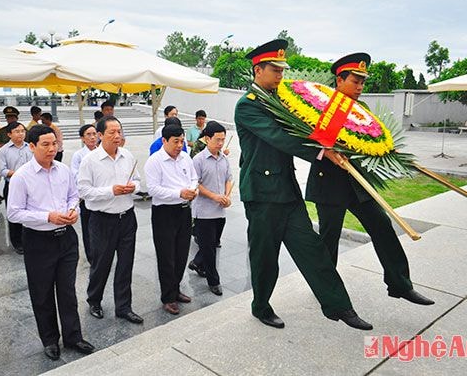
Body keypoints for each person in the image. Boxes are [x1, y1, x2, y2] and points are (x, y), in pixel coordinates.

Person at [235, 39, 371, 330]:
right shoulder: (247, 106)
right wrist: (322, 152)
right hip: (261, 195)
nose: (281, 75)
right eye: (275, 70)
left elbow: (308, 124)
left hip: (287, 192)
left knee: (314, 252)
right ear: (258, 70)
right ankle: (261, 306)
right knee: (265, 259)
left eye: (282, 70)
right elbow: (278, 136)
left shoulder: (282, 99)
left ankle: (340, 308)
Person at [305, 53, 435, 306]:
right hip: (329, 183)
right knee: (328, 240)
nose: (360, 87)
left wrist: (387, 149)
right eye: (355, 81)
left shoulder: (361, 109)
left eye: (363, 83)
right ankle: (325, 288)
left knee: (382, 227)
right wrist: (325, 150)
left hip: (358, 184)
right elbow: (305, 142)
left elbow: (371, 139)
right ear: (339, 80)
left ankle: (400, 284)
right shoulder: (320, 105)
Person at [7, 125, 95, 361]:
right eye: (45, 144)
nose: (51, 149)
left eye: (54, 144)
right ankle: (49, 340)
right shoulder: (22, 176)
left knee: (67, 290)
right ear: (32, 146)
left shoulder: (63, 170)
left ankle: (73, 336)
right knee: (42, 292)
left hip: (65, 237)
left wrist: (71, 210)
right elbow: (13, 213)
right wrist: (47, 216)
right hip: (38, 241)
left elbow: (73, 195)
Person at [78, 116, 143, 324]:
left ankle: (124, 306)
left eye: (119, 132)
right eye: (111, 133)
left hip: (127, 218)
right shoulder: (90, 160)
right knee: (101, 263)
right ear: (99, 135)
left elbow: (138, 181)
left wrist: (133, 187)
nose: (117, 136)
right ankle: (94, 300)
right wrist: (110, 191)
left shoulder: (127, 155)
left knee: (126, 264)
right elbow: (83, 191)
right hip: (102, 220)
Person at [144, 124, 197, 315]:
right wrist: (179, 193)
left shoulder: (185, 158)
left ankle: (176, 289)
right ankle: (168, 297)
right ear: (164, 141)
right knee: (166, 256)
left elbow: (193, 178)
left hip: (184, 211)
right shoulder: (154, 161)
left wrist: (192, 190)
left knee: (181, 253)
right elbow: (153, 189)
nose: (179, 145)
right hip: (164, 213)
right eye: (175, 142)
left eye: (182, 141)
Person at [188, 121, 232, 296]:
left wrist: (227, 196)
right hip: (204, 212)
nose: (221, 143)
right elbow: (195, 185)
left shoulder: (224, 159)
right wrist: (214, 196)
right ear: (207, 139)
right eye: (217, 140)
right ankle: (214, 281)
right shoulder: (198, 160)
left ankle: (197, 263)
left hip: (220, 210)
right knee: (210, 248)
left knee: (212, 243)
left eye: (223, 139)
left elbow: (229, 179)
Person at [0, 122, 33, 255]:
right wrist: (18, 174)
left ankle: (29, 239)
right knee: (14, 213)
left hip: (30, 184)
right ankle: (17, 242)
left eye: (22, 131)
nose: (21, 134)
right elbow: (2, 170)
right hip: (12, 185)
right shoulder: (3, 150)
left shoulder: (30, 147)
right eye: (17, 131)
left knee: (30, 211)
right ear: (9, 134)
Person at [70, 124, 98, 263]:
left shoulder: (102, 151)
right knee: (88, 228)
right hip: (86, 196)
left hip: (101, 196)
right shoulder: (78, 155)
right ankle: (91, 255)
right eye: (88, 134)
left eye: (94, 134)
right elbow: (75, 175)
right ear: (82, 138)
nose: (93, 137)